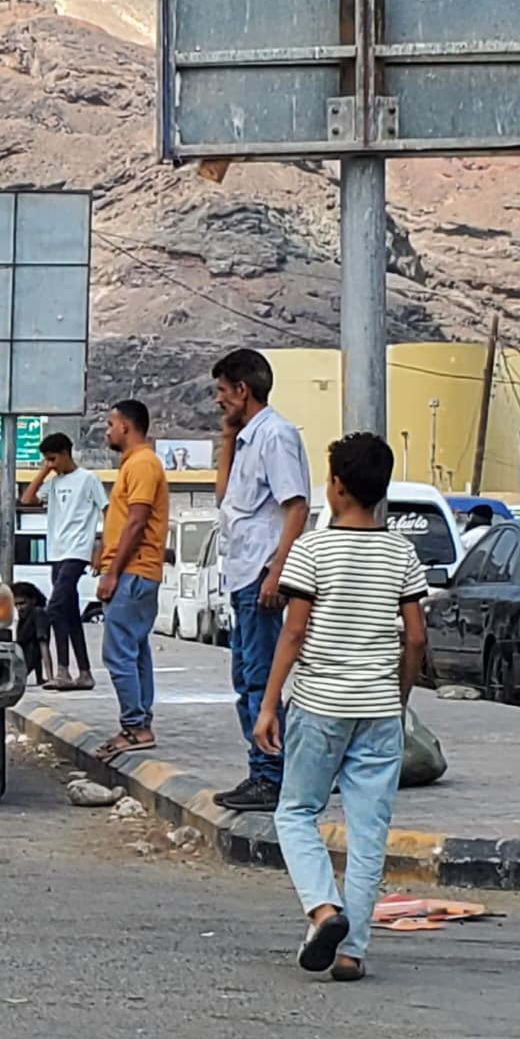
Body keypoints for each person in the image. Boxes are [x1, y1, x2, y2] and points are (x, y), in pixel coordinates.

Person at [253, 432, 427, 984]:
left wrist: (268, 705)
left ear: (337, 487)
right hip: (379, 710)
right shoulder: (401, 552)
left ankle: (324, 910)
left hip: (320, 704)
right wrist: (399, 697)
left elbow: (294, 632)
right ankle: (351, 953)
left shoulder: (312, 550)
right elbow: (415, 637)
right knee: (368, 831)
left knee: (295, 812)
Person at [211, 348, 312, 813]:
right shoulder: (249, 438)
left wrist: (277, 572)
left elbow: (297, 506)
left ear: (242, 389)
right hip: (242, 573)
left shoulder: (275, 436)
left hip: (260, 574)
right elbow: (225, 497)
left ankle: (272, 775)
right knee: (245, 677)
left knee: (259, 680)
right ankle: (263, 771)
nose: (219, 401)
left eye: (222, 391)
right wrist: (227, 437)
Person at [93, 400, 168, 760]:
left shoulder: (142, 464)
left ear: (126, 426)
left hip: (133, 572)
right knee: (135, 652)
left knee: (119, 653)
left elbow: (137, 521)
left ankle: (135, 727)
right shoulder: (135, 464)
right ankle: (139, 724)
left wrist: (113, 572)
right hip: (136, 571)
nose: (107, 431)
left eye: (111, 424)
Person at [20, 432, 104, 692]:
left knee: (54, 607)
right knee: (69, 614)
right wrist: (44, 471)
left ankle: (61, 669)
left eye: (53, 459)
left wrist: (100, 548)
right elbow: (27, 499)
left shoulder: (88, 479)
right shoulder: (54, 483)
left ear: (66, 453)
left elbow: (108, 510)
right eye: (47, 460)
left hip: (77, 551)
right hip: (56, 552)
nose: (51, 464)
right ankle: (83, 673)